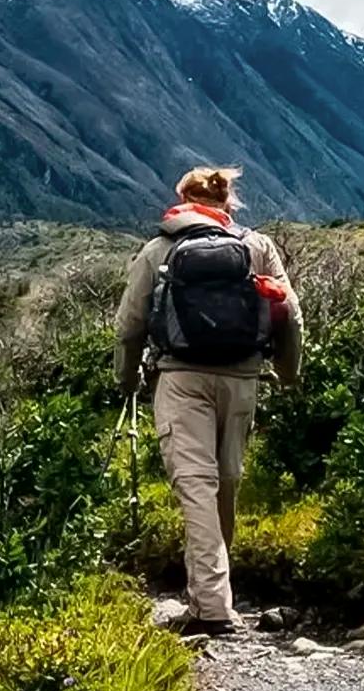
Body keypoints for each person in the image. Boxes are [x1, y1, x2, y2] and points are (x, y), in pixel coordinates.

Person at [113, 165, 304, 632]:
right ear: (228, 202)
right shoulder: (256, 247)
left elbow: (128, 326)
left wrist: (127, 379)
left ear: (181, 199)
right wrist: (287, 372)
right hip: (242, 378)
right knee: (226, 482)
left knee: (196, 486)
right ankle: (214, 593)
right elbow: (291, 315)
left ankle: (212, 607)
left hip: (180, 379)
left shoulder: (159, 249)